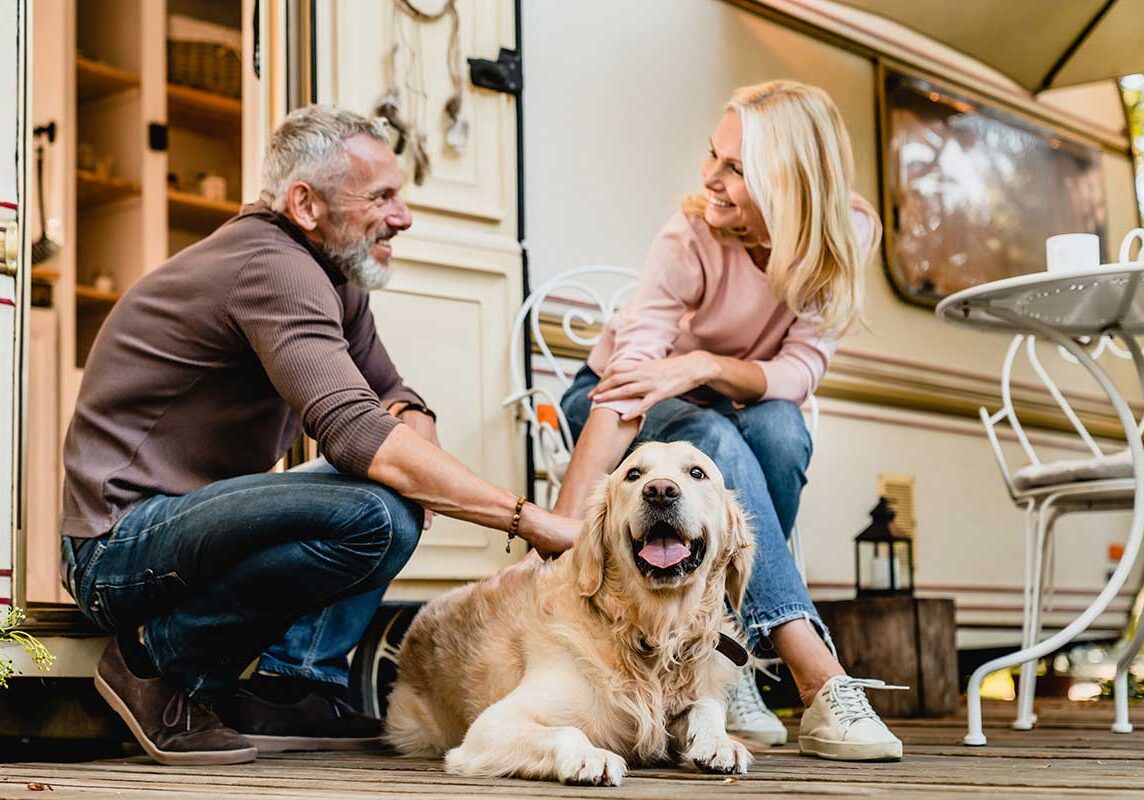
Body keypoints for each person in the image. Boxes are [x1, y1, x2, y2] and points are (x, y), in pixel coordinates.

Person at [59, 105, 579, 766]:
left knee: (395, 486)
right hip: (115, 551)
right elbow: (356, 432)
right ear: (304, 203)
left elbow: (393, 394)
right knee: (373, 506)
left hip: (182, 536)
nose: (404, 216)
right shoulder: (271, 266)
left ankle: (290, 687)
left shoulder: (333, 276)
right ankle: (153, 663)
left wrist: (413, 439)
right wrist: (530, 520)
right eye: (382, 196)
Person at [552, 80, 903, 762]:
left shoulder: (846, 230)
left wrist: (702, 365)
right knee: (708, 439)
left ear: (790, 182)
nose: (709, 177)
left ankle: (725, 652)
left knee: (779, 427)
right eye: (714, 154)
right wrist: (565, 530)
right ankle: (818, 677)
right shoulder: (688, 237)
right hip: (615, 402)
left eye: (735, 167)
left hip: (730, 406)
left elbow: (800, 372)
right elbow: (628, 382)